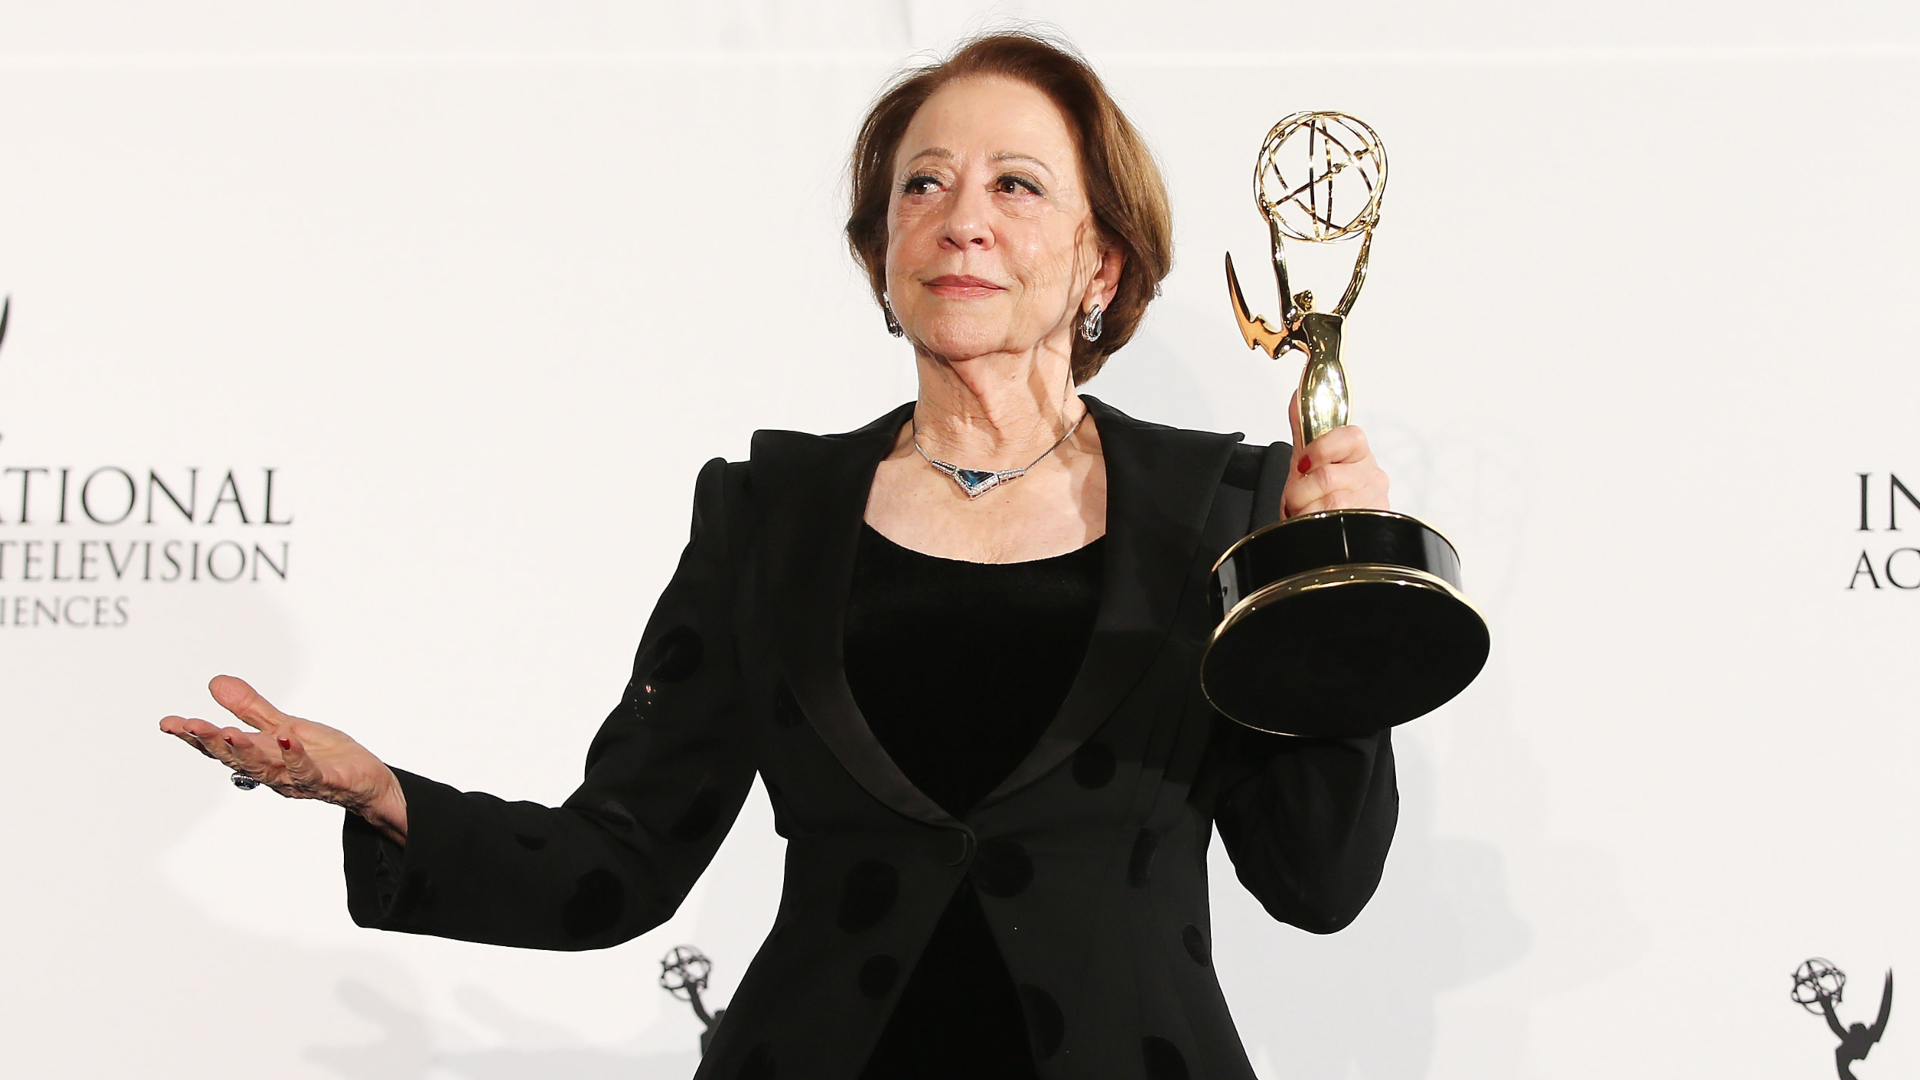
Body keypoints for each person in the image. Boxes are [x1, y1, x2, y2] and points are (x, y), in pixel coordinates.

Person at [160, 30, 1398, 1079]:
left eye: (1016, 185)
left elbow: (1320, 882)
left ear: (1101, 260)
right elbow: (621, 859)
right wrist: (385, 796)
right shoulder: (770, 514)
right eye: (923, 186)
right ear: (880, 253)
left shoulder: (1228, 506)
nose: (961, 219)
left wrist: (1329, 590)